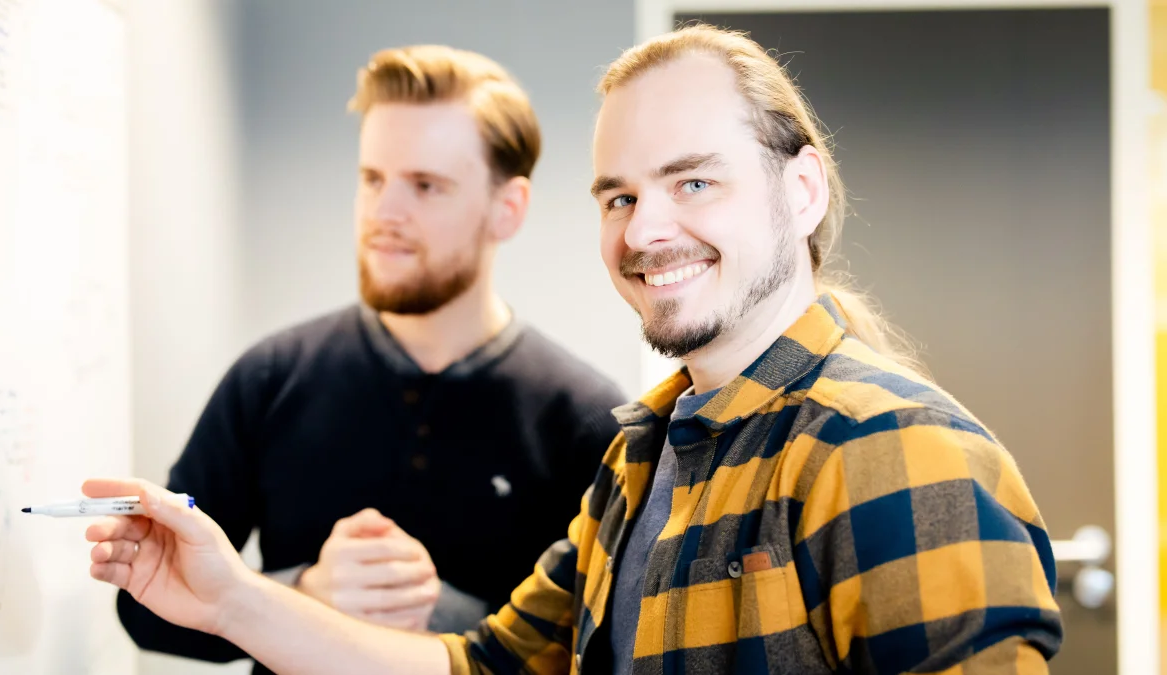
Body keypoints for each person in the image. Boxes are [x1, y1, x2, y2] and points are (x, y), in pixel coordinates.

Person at [87, 25, 1062, 674]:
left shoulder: (899, 452)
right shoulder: (644, 459)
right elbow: (486, 666)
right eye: (620, 197)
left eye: (693, 183)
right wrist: (232, 598)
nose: (643, 232)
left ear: (801, 191)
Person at [114, 44, 626, 674]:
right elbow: (143, 608)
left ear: (507, 209)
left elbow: (602, 651)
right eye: (372, 179)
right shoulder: (269, 379)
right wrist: (301, 596)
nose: (385, 212)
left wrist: (440, 617)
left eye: (425, 186)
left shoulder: (587, 424)